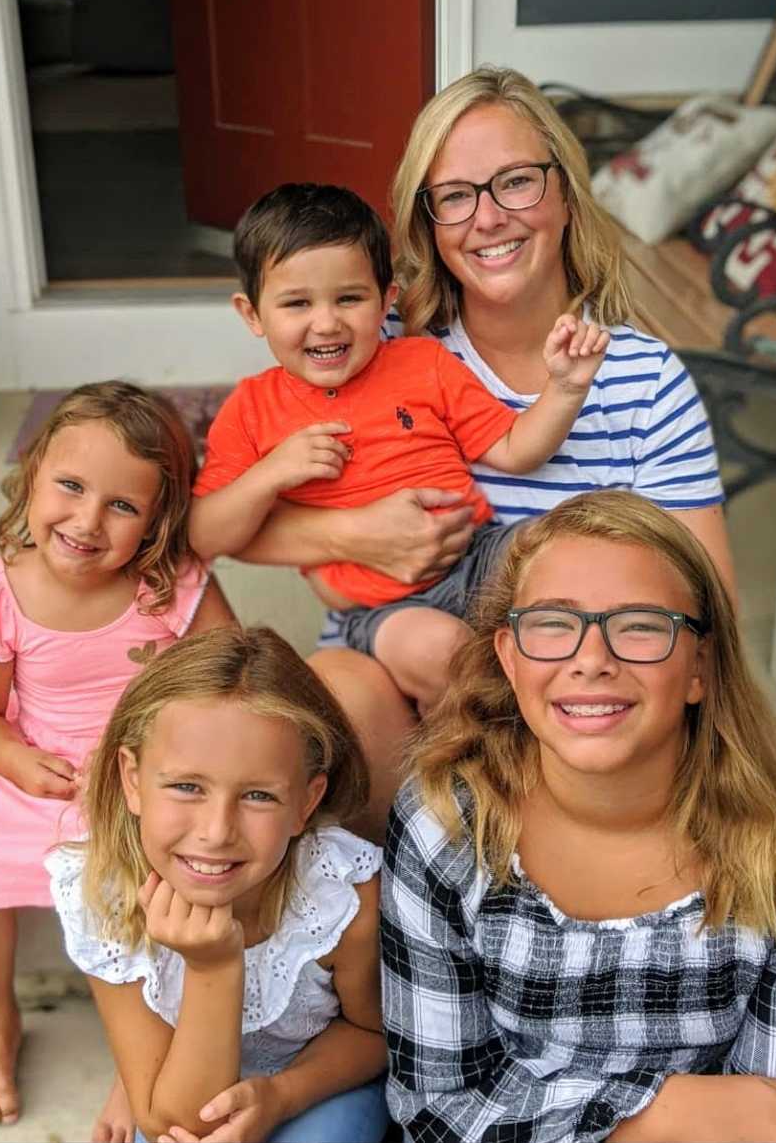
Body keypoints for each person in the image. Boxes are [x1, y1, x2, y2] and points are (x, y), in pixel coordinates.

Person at [230, 67, 737, 839]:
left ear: (565, 193)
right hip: (396, 654)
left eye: (516, 183)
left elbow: (708, 601)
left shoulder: (642, 378)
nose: (488, 218)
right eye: (456, 196)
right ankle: (402, 925)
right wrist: (352, 536)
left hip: (576, 672)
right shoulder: (373, 347)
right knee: (331, 697)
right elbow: (241, 522)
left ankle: (533, 862)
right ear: (428, 221)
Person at [381, 490, 776, 1143]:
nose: (591, 658)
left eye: (640, 625)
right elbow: (437, 1111)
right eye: (553, 623)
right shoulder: (444, 825)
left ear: (700, 666)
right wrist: (655, 1114)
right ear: (509, 657)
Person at [189, 182, 608, 712]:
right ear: (252, 314)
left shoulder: (421, 364)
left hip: (479, 554)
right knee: (439, 651)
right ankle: (473, 755)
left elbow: (514, 448)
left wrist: (566, 387)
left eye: (350, 298)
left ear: (386, 298)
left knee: (569, 554)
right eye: (297, 303)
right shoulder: (251, 410)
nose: (327, 322)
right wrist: (270, 474)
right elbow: (203, 535)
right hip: (383, 607)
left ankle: (559, 709)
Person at [0, 381, 234, 1135]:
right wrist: (18, 762)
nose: (87, 520)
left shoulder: (173, 588)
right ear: (31, 479)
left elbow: (230, 687)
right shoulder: (0, 590)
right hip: (38, 769)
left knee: (144, 864)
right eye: (71, 487)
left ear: (157, 520)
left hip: (145, 777)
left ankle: (137, 1057)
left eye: (122, 506)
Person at [46, 626, 390, 1143]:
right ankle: (133, 1072)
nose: (216, 831)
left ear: (306, 801)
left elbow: (374, 1034)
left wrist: (281, 1096)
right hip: (183, 1082)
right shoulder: (103, 892)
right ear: (133, 780)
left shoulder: (340, 895)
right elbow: (181, 1123)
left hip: (316, 1078)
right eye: (187, 787)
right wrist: (214, 967)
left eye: (258, 796)